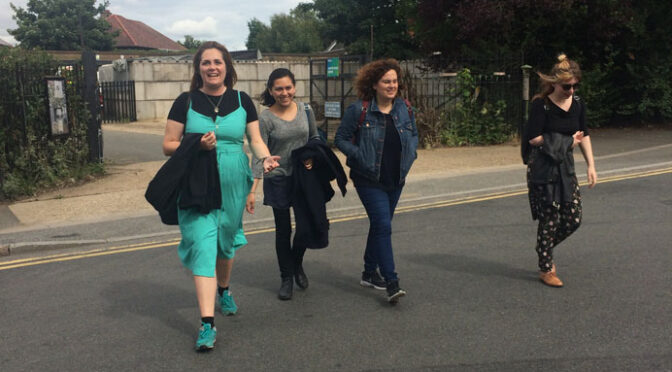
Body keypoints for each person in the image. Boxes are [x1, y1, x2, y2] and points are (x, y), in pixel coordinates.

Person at [162, 41, 279, 351]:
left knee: (225, 242)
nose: (211, 67)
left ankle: (224, 288)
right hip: (196, 182)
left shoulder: (242, 100)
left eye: (217, 62)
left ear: (228, 67)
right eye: (205, 63)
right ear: (198, 68)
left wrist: (264, 159)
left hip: (233, 182)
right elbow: (168, 144)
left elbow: (255, 139)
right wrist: (196, 143)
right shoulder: (185, 101)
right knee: (203, 245)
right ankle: (207, 323)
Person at [334, 58, 418, 304]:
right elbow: (340, 139)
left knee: (380, 225)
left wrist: (411, 152)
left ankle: (369, 272)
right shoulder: (359, 110)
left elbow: (413, 133)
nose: (392, 85)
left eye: (394, 81)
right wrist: (360, 156)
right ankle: (392, 281)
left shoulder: (405, 108)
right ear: (374, 85)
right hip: (369, 179)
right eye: (386, 81)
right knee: (383, 225)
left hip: (396, 178)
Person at [524, 54, 597, 287]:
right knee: (550, 218)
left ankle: (543, 248)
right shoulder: (541, 105)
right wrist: (568, 142)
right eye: (567, 86)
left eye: (576, 85)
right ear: (554, 83)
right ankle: (546, 268)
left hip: (566, 167)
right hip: (544, 168)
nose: (572, 90)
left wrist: (591, 165)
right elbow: (534, 138)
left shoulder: (578, 104)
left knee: (573, 217)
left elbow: (583, 134)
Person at [250, 68, 322, 301]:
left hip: (303, 177)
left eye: (288, 87)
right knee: (283, 230)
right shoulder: (265, 118)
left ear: (294, 87)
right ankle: (286, 277)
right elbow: (258, 151)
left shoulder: (306, 110)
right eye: (278, 88)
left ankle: (297, 264)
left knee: (304, 227)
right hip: (278, 179)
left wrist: (311, 156)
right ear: (271, 90)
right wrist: (254, 188)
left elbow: (315, 138)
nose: (284, 93)